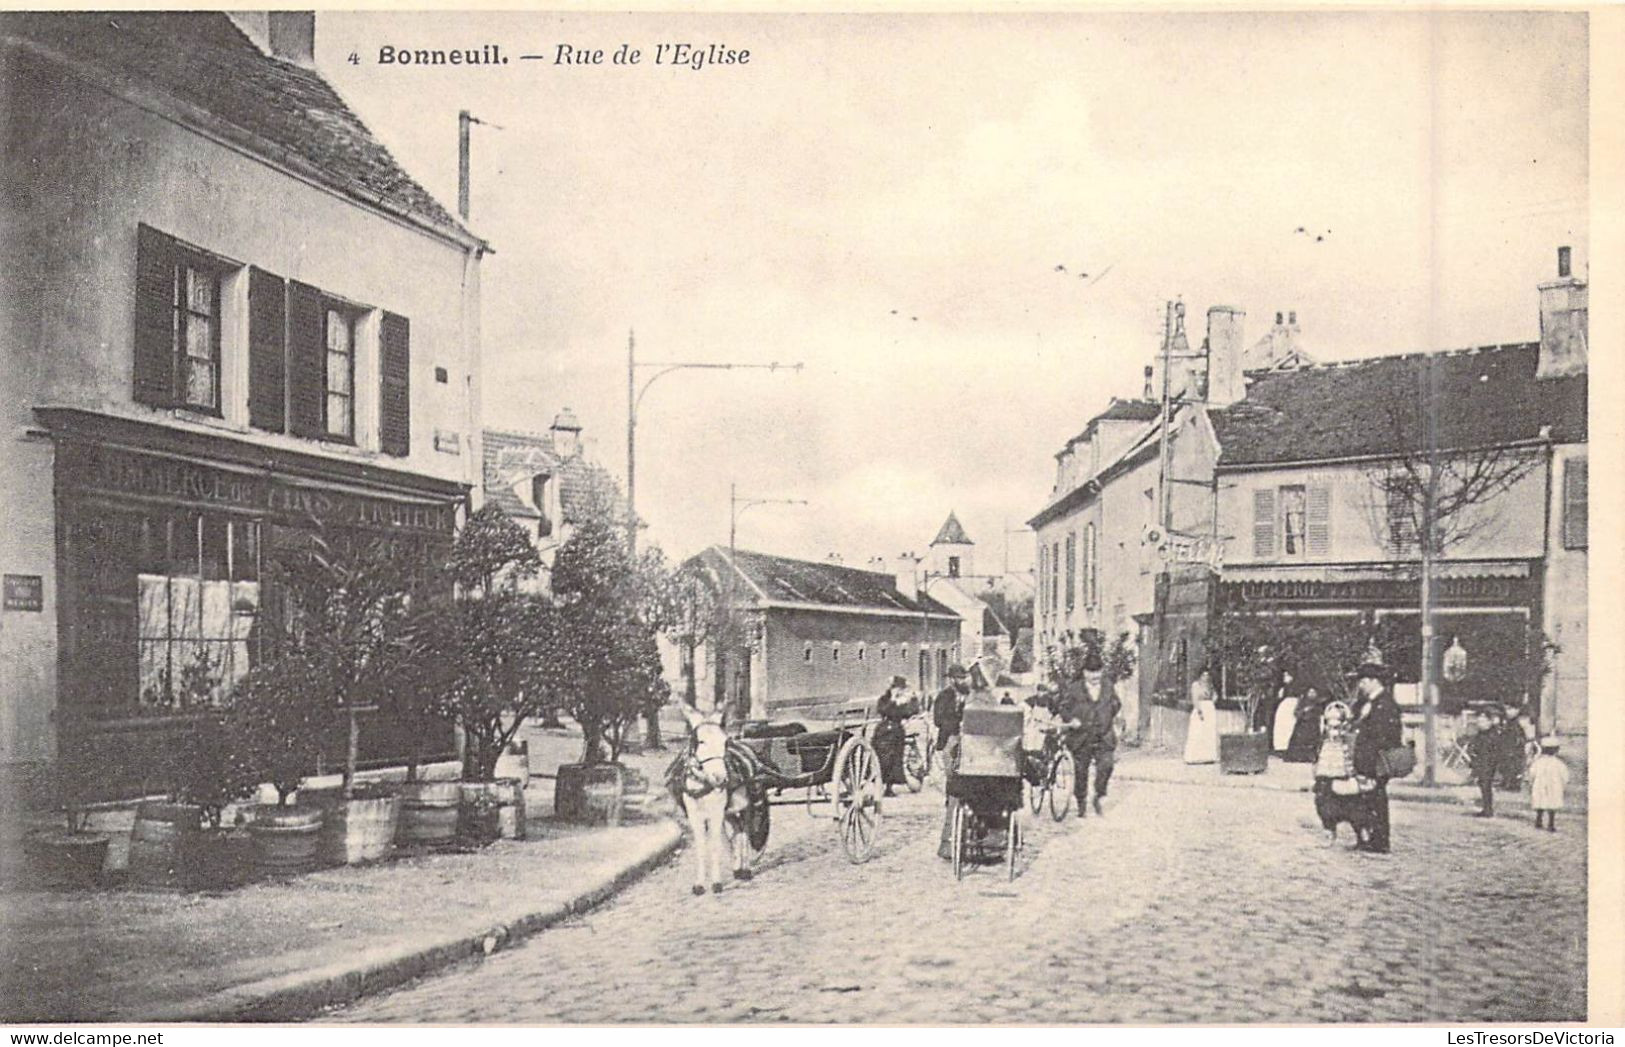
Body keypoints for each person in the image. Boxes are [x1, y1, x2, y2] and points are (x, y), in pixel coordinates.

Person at [1350, 651, 1404, 854]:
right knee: (1365, 799)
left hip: (1376, 762)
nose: (1361, 685)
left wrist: (1371, 759)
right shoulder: (1367, 703)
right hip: (1365, 761)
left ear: (1373, 681)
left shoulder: (1386, 704)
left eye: (1363, 681)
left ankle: (1380, 841)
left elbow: (1387, 736)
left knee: (1376, 800)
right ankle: (1369, 837)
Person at [1055, 651, 1120, 818]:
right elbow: (1063, 707)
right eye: (1091, 672)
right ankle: (1081, 801)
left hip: (1104, 736)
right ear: (1084, 672)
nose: (1095, 676)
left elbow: (1116, 703)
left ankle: (1099, 795)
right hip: (1081, 737)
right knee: (1081, 771)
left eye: (1098, 672)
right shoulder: (1074, 688)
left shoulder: (1108, 685)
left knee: (1107, 765)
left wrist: (1107, 717)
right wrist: (1072, 719)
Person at [935, 664, 971, 860]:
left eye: (963, 677)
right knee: (953, 774)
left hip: (968, 740)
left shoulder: (970, 694)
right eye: (958, 678)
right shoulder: (944, 697)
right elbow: (937, 719)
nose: (961, 681)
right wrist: (957, 721)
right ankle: (952, 799)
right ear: (951, 679)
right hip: (950, 739)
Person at [872, 675, 917, 797]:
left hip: (896, 731)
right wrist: (892, 700)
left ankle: (889, 786)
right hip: (883, 731)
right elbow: (883, 711)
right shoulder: (884, 699)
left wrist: (908, 699)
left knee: (895, 759)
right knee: (882, 758)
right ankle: (879, 783)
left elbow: (910, 712)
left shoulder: (904, 700)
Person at [1467, 706, 1507, 817]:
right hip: (1481, 762)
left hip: (1488, 763)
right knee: (1483, 785)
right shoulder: (1481, 734)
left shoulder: (1492, 735)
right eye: (1479, 721)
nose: (1480, 723)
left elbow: (1495, 751)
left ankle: (1488, 809)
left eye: (1483, 721)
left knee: (1486, 785)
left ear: (1489, 722)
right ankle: (1486, 808)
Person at [1529, 736, 1570, 832]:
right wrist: (1564, 784)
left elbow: (1532, 773)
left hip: (1540, 785)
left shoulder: (1538, 762)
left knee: (1540, 801)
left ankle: (1538, 820)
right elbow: (1565, 775)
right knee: (1552, 803)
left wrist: (1531, 782)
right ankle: (1551, 823)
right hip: (1554, 786)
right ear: (1556, 750)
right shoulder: (1559, 764)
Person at [1183, 666, 1219, 765]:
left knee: (1208, 732)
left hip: (1209, 709)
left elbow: (1215, 696)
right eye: (1203, 675)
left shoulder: (1210, 685)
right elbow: (1195, 699)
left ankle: (1208, 756)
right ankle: (1194, 757)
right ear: (1200, 675)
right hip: (1201, 709)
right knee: (1198, 732)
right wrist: (1199, 711)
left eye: (1207, 675)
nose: (1205, 677)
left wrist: (1213, 699)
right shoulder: (1196, 685)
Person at [1283, 686, 1324, 763]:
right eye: (1310, 692)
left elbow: (1319, 714)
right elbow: (1296, 713)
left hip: (1313, 725)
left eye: (1314, 693)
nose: (1312, 694)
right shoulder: (1302, 702)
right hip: (1302, 725)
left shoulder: (1318, 703)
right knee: (1299, 740)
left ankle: (1310, 757)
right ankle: (1298, 757)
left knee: (1312, 741)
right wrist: (1304, 711)